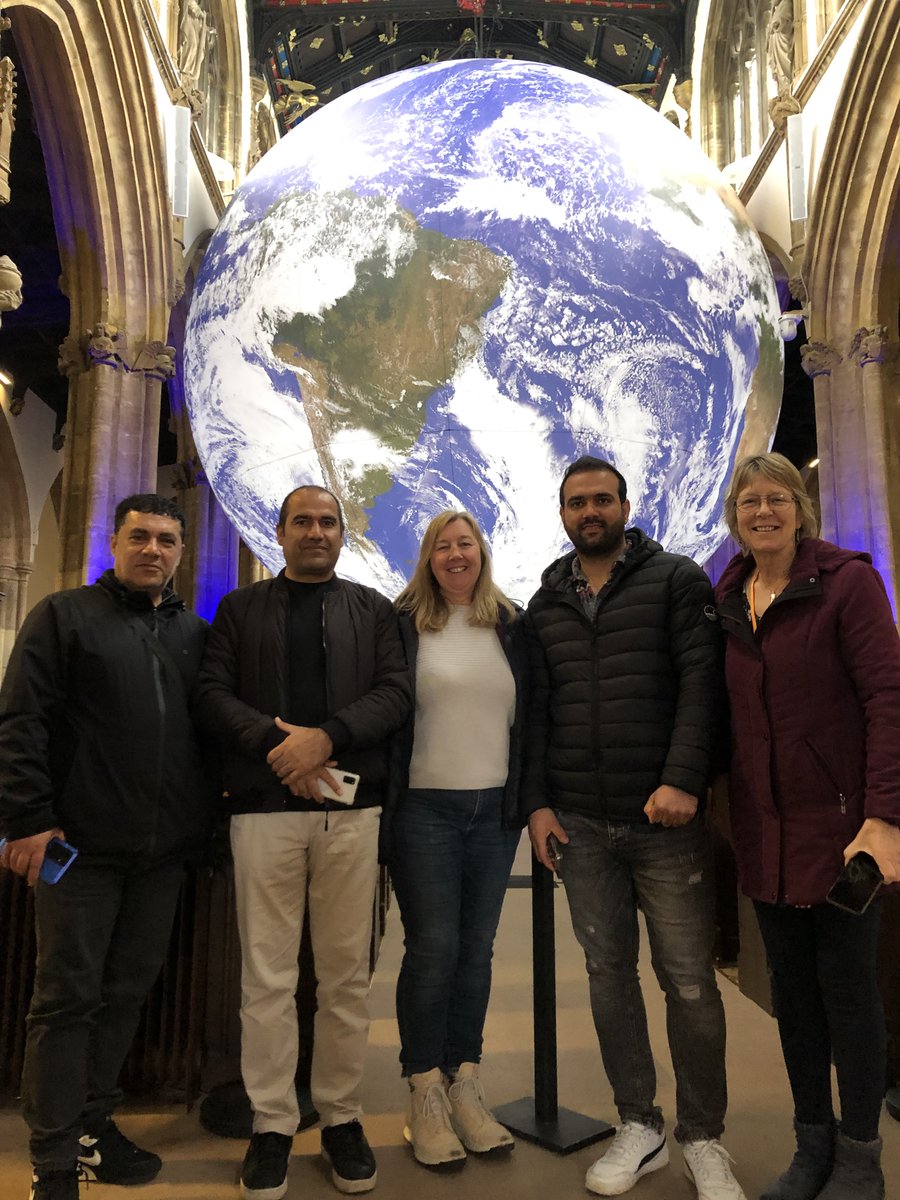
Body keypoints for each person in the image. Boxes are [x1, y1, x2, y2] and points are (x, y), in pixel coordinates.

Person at [524, 455, 745, 1200]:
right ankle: (639, 1124)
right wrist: (537, 803)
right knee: (608, 976)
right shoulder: (547, 599)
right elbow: (537, 715)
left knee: (688, 983)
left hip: (665, 825)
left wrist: (682, 780)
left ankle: (704, 1137)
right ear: (562, 514)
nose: (590, 513)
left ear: (625, 505)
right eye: (577, 503)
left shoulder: (676, 580)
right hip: (582, 826)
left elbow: (701, 686)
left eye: (602, 500)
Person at [195, 485, 410, 1200]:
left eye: (327, 522)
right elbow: (211, 692)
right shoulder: (238, 609)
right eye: (303, 522)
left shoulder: (372, 611)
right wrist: (273, 745)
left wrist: (328, 738)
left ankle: (342, 1117)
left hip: (351, 813)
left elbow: (395, 692)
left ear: (341, 535)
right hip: (262, 811)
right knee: (269, 979)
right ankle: (273, 1125)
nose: (315, 532)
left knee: (346, 976)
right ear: (279, 533)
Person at [0, 494, 214, 1200]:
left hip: (161, 855)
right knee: (65, 1001)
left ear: (180, 552)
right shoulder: (64, 618)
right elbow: (21, 722)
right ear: (114, 543)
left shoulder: (192, 633)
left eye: (167, 540)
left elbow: (206, 734)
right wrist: (28, 819)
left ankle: (92, 1123)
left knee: (126, 994)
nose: (153, 550)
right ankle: (54, 1159)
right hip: (80, 852)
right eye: (140, 537)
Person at [715, 451, 900, 1200]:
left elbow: (888, 700)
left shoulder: (848, 583)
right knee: (792, 998)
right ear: (735, 517)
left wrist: (884, 817)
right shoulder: (727, 597)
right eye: (750, 501)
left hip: (841, 835)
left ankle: (860, 1156)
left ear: (800, 507)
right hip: (767, 837)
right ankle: (811, 1143)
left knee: (850, 995)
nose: (763, 512)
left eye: (777, 498)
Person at [388, 510, 527, 1167]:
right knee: (434, 947)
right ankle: (424, 1091)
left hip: (494, 813)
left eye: (464, 543)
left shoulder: (509, 623)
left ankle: (464, 1081)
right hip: (426, 813)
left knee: (476, 949)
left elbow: (535, 714)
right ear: (428, 557)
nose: (454, 554)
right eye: (442, 545)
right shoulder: (404, 623)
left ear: (481, 552)